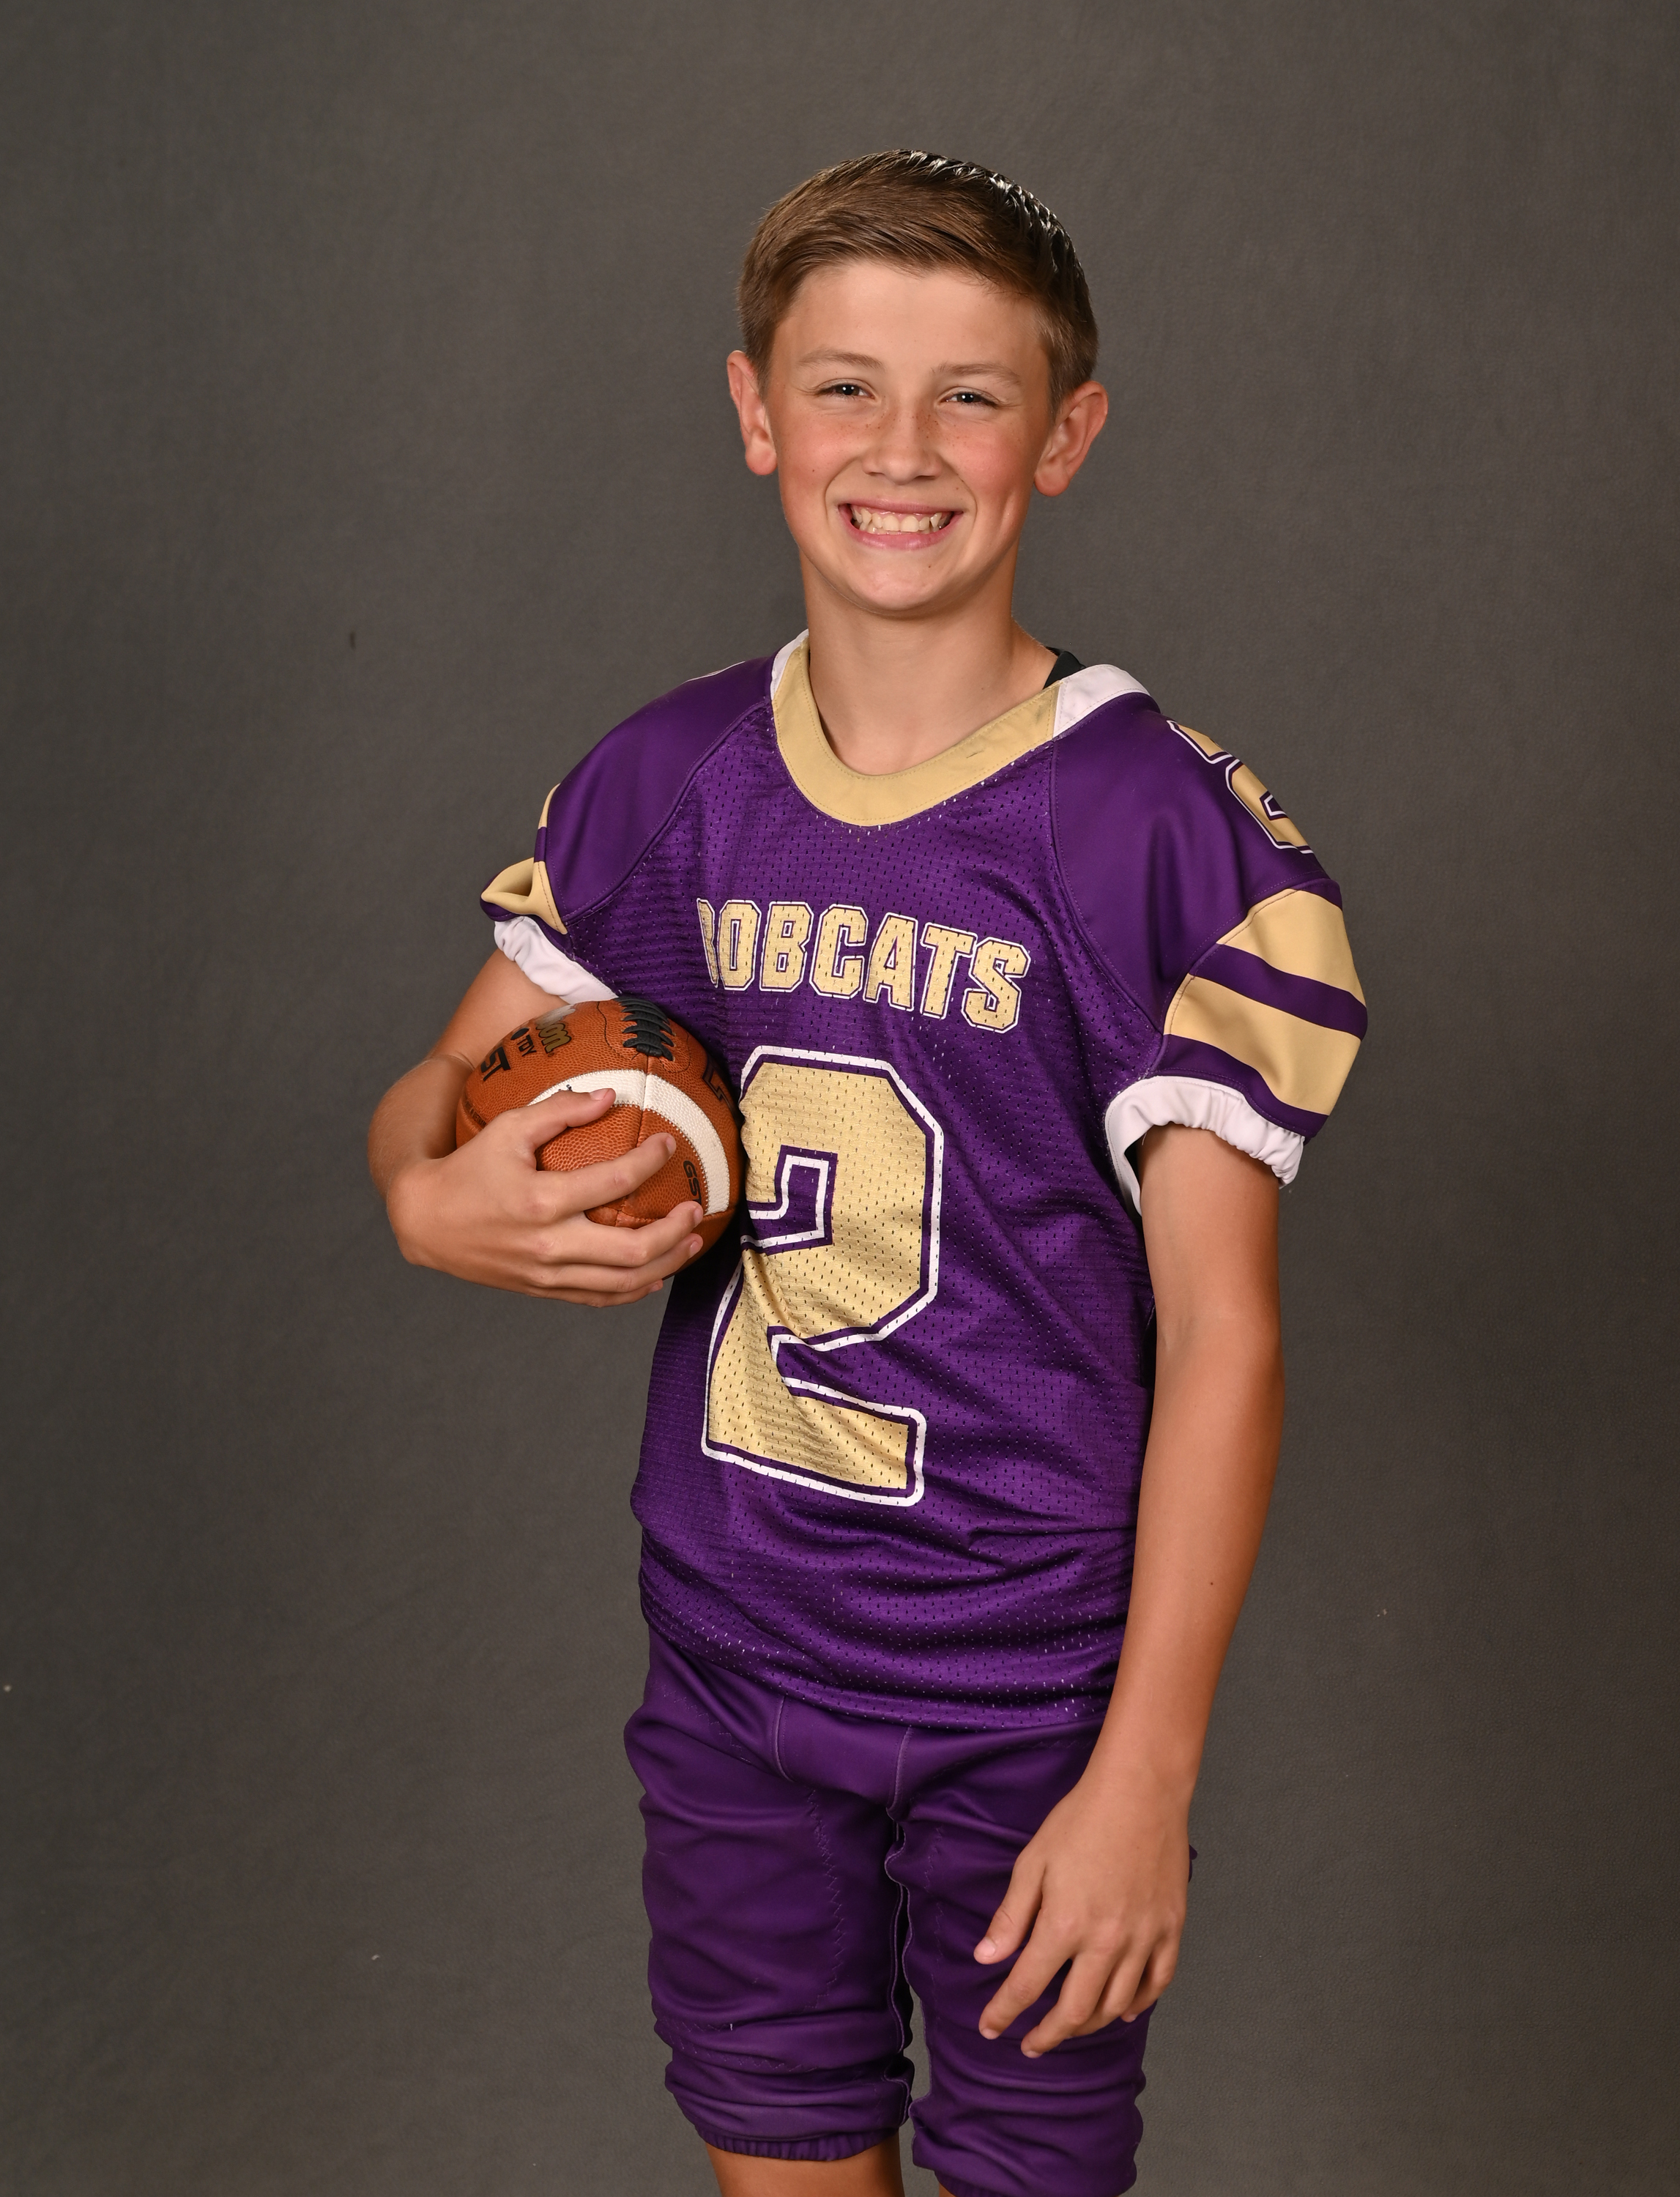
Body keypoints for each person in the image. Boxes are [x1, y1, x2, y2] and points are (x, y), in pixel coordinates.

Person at [368, 150, 1365, 2197]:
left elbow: (1228, 1338)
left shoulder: (1160, 838)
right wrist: (419, 1186)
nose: (901, 449)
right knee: (781, 2153)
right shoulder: (673, 779)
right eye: (844, 387)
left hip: (1031, 1691)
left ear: (1063, 435)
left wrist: (1148, 1771)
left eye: (969, 396)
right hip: (733, 1652)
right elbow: (438, 1089)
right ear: (756, 411)